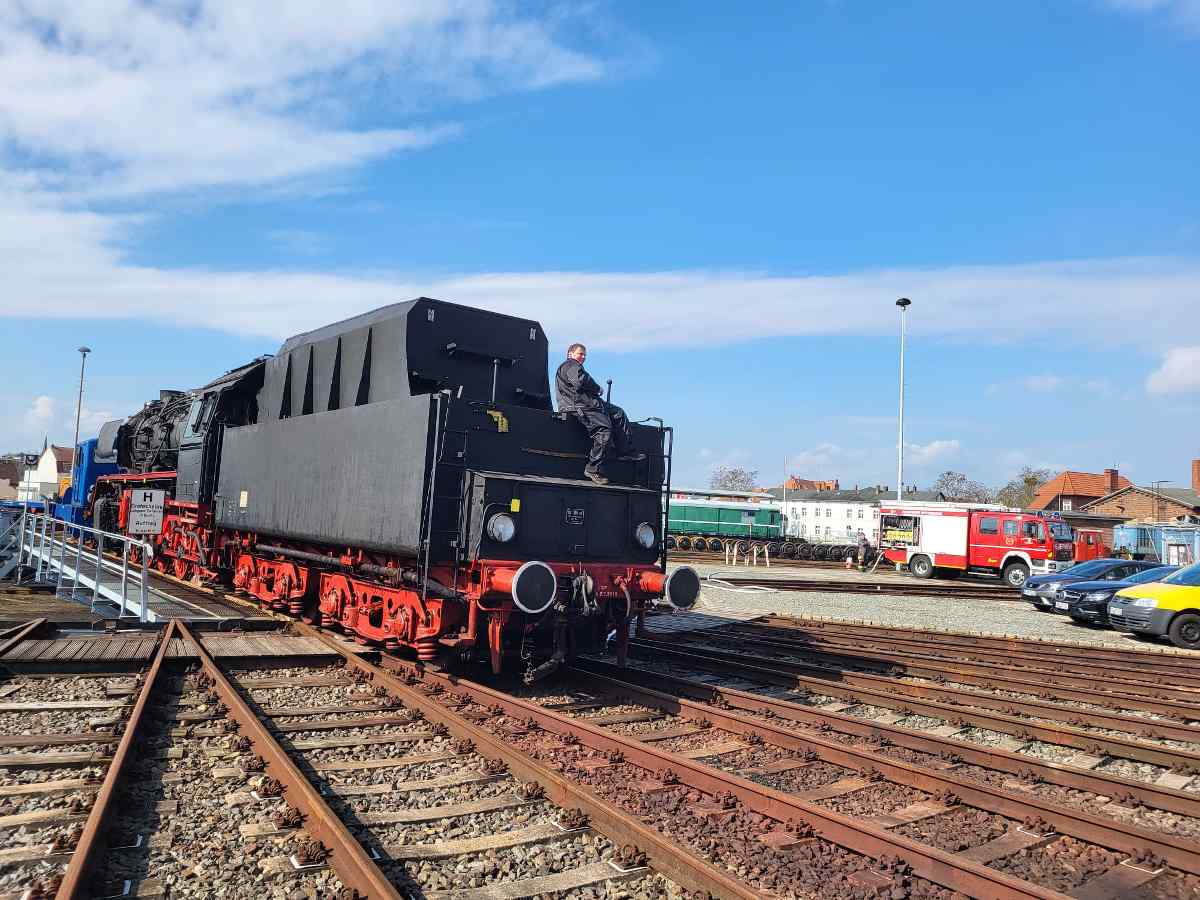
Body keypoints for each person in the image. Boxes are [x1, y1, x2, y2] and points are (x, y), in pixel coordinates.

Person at [555, 343, 641, 484]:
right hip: (579, 405)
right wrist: (597, 388)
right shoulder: (570, 365)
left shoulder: (575, 367)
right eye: (580, 353)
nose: (583, 357)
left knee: (618, 413)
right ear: (570, 353)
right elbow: (580, 381)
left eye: (585, 354)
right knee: (604, 431)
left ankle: (625, 450)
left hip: (590, 403)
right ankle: (593, 468)